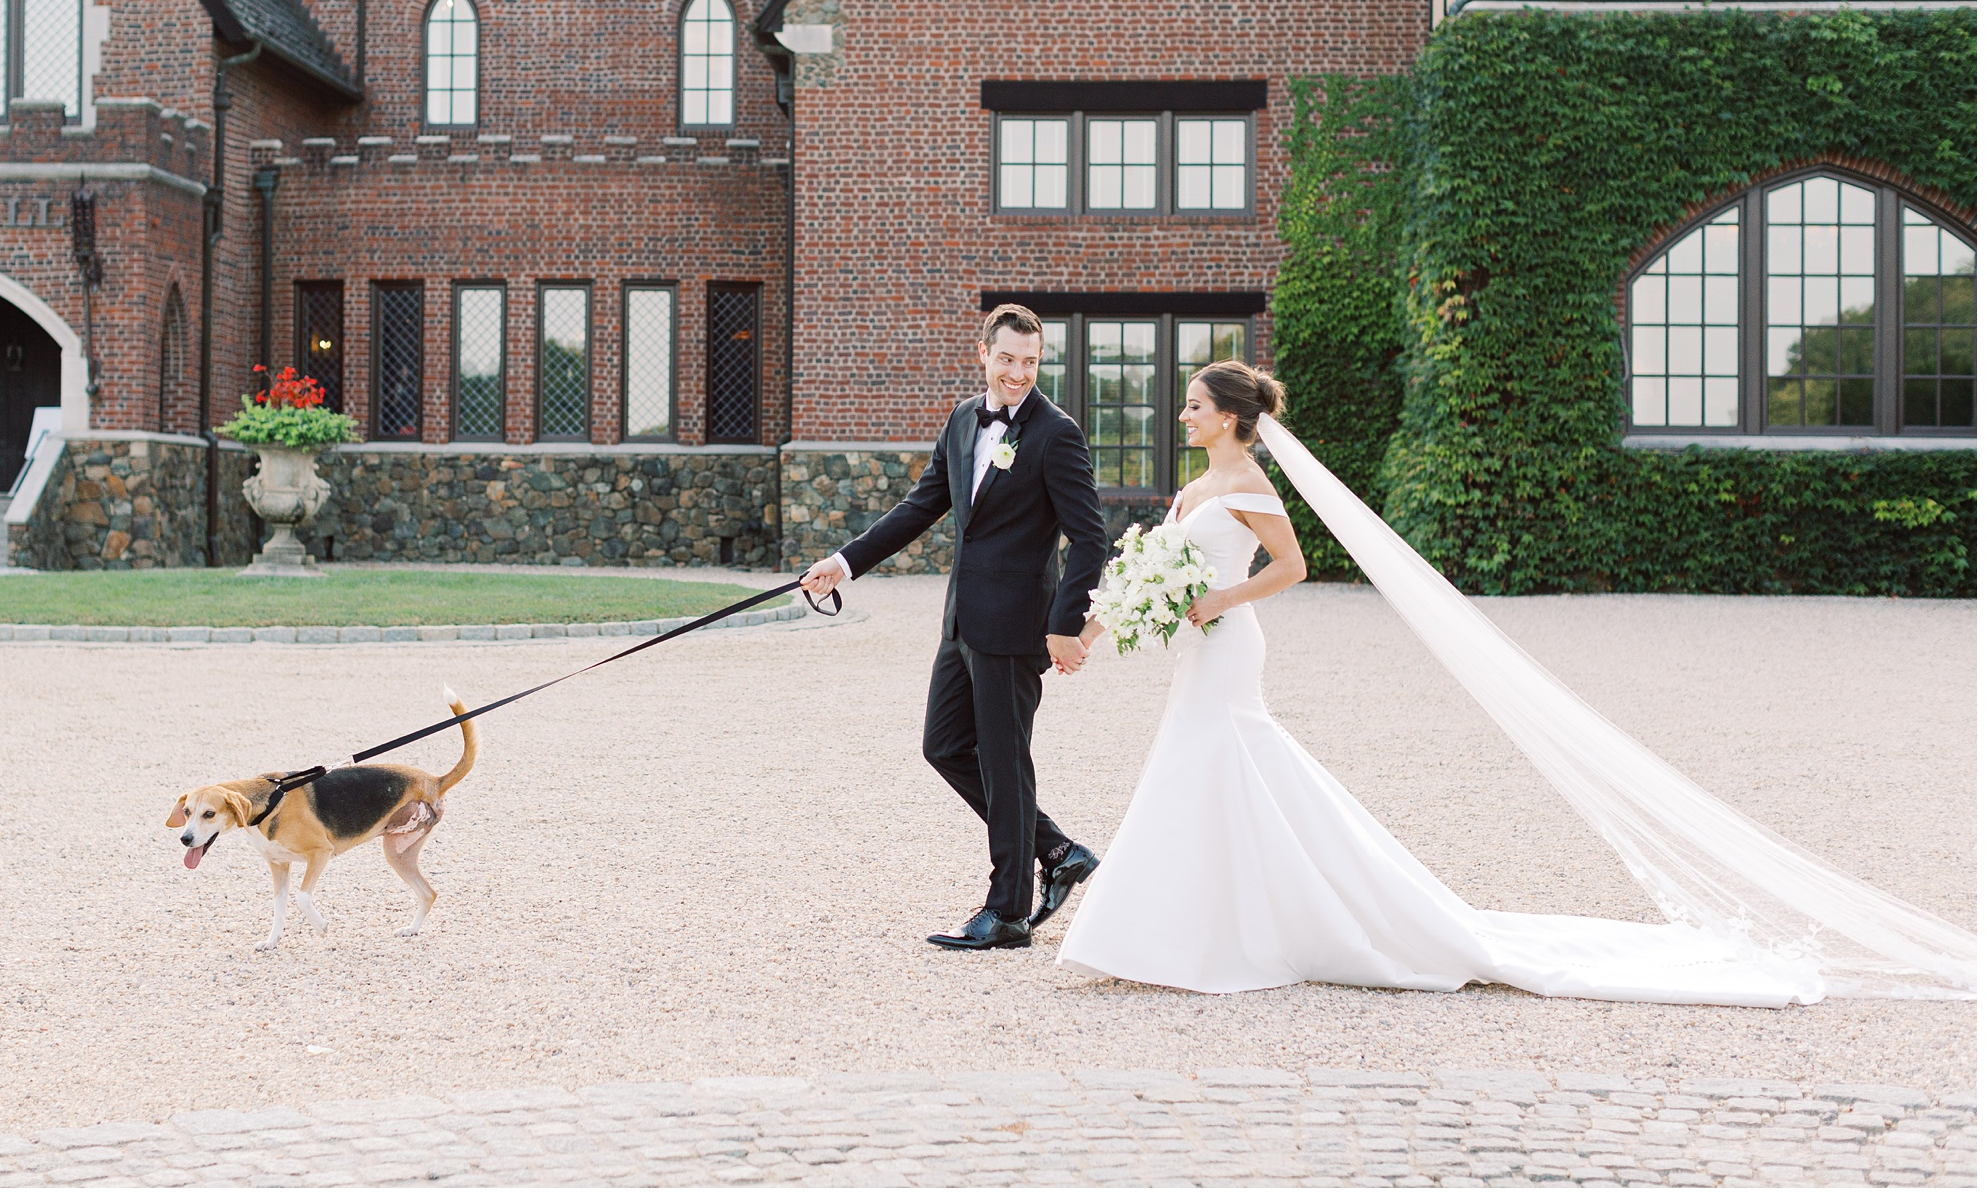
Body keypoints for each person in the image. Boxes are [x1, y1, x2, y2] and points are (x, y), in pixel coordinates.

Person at [1055, 359, 1973, 1005]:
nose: (1183, 414)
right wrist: (1101, 625)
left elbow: (1291, 567)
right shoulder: (1192, 484)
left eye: (1193, 406)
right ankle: (1213, 923)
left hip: (1230, 641)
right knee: (1214, 769)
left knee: (1217, 762)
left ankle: (1212, 929)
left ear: (1230, 416)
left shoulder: (1250, 481)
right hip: (1199, 647)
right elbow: (1149, 572)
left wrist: (1218, 598)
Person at [802, 303, 1110, 951]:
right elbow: (922, 505)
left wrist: (1066, 626)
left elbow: (1090, 539)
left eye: (1030, 361)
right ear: (983, 354)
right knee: (943, 745)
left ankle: (1007, 912)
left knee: (1004, 763)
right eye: (1007, 359)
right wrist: (843, 562)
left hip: (1017, 625)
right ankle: (1056, 850)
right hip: (962, 621)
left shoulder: (1056, 434)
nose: (1019, 372)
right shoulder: (963, 419)